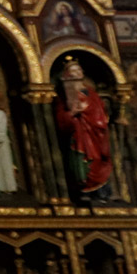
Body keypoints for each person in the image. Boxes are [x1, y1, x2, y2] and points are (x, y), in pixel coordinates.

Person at [53, 58, 114, 203]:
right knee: (81, 162)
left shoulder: (91, 92)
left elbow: (99, 111)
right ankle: (83, 189)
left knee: (98, 159)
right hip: (79, 134)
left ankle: (101, 192)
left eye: (78, 70)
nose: (76, 73)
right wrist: (72, 114)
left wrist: (98, 118)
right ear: (67, 75)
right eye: (72, 71)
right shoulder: (65, 96)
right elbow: (62, 118)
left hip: (95, 132)